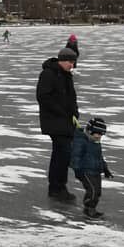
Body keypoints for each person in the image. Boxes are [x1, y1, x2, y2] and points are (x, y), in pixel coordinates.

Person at [36, 47, 80, 201]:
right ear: (62, 60)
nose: (72, 65)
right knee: (62, 154)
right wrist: (61, 112)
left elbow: (71, 97)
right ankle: (57, 187)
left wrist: (75, 113)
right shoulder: (48, 74)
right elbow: (43, 97)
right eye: (70, 62)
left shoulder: (66, 75)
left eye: (73, 62)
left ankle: (57, 187)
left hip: (66, 121)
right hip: (54, 121)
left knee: (61, 154)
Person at [71, 117, 113, 220]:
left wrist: (105, 169)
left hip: (95, 171)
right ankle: (89, 209)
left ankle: (91, 208)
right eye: (97, 134)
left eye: (101, 134)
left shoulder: (96, 143)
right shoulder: (81, 141)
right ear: (89, 131)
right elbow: (76, 156)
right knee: (92, 190)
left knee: (97, 192)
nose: (99, 137)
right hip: (85, 171)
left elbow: (100, 157)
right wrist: (77, 169)